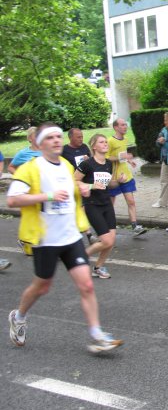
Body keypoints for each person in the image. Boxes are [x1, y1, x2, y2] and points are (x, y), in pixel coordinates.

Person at [6, 122, 124, 353]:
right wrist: (48, 196)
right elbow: (12, 199)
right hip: (46, 239)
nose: (56, 141)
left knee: (87, 285)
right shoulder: (30, 169)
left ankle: (97, 334)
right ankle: (18, 317)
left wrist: (82, 188)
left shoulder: (66, 165)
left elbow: (74, 186)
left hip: (70, 237)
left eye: (58, 137)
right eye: (50, 137)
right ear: (40, 143)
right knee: (42, 286)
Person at [75, 134, 125, 280]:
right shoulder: (87, 164)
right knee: (106, 241)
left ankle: (98, 268)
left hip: (106, 203)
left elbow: (108, 184)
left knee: (111, 240)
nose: (105, 144)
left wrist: (118, 181)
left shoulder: (108, 163)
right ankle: (80, 257)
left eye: (105, 142)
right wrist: (90, 186)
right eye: (101, 142)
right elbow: (74, 181)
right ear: (94, 146)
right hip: (92, 205)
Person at [107, 118, 147, 236]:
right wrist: (120, 158)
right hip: (114, 178)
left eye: (125, 125)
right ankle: (108, 226)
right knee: (110, 204)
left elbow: (123, 155)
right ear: (116, 127)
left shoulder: (125, 139)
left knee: (131, 201)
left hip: (126, 176)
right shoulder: (110, 141)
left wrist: (129, 161)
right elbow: (105, 157)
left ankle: (135, 227)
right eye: (122, 125)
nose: (125, 127)